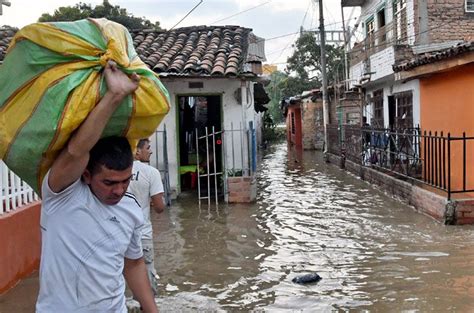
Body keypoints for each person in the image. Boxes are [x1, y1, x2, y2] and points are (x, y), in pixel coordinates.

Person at [36, 61, 158, 313]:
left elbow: (133, 264)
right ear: (87, 175)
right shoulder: (62, 194)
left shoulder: (130, 208)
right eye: (109, 182)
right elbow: (76, 150)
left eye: (125, 181)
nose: (119, 190)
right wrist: (115, 96)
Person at [128, 138, 165, 296]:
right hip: (142, 233)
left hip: (120, 233)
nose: (150, 151)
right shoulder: (151, 172)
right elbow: (159, 207)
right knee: (146, 273)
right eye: (147, 148)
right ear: (137, 151)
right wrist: (151, 201)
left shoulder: (119, 170)